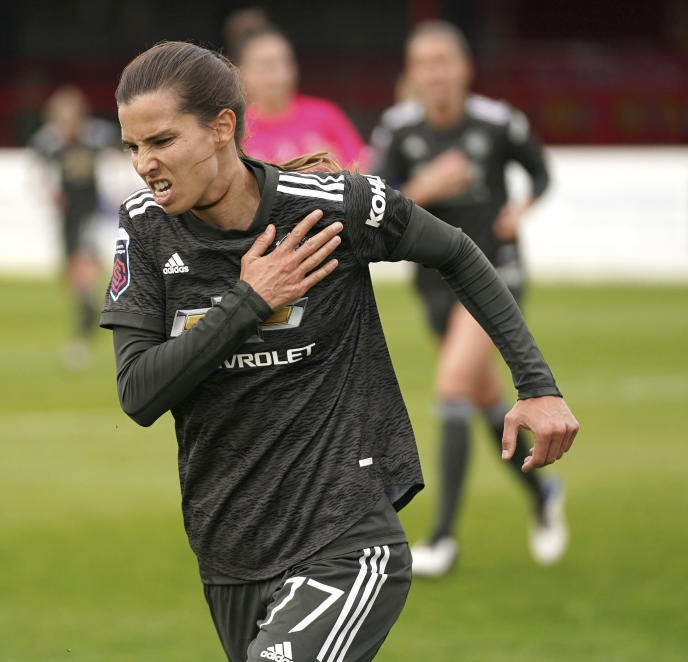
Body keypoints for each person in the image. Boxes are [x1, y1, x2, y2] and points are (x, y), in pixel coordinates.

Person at [101, 41, 578, 662]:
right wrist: (248, 301)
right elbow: (139, 393)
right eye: (132, 146)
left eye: (161, 141)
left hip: (346, 533)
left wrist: (536, 385)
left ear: (221, 128)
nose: (144, 163)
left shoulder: (331, 207)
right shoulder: (144, 224)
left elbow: (457, 251)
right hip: (228, 544)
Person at [371, 20, 563, 577]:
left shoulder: (498, 122)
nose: (434, 73)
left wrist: (520, 211)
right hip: (433, 284)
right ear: (411, 74)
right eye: (423, 63)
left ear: (464, 68)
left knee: (452, 385)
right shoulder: (399, 130)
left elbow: (542, 174)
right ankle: (543, 495)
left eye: (443, 61)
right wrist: (426, 187)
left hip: (495, 274)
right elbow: (377, 202)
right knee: (482, 403)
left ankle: (441, 540)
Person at [29, 85, 118, 368]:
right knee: (71, 269)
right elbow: (38, 171)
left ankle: (87, 320)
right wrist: (49, 193)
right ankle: (88, 305)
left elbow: (117, 158)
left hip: (91, 211)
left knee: (84, 266)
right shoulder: (48, 142)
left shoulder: (96, 136)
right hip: (68, 215)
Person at [235, 26, 368, 172]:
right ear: (241, 72)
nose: (278, 73)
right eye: (266, 65)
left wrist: (337, 167)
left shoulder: (325, 114)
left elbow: (365, 174)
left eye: (284, 62)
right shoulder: (235, 126)